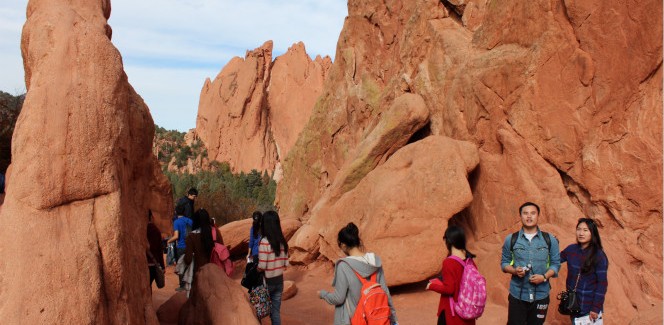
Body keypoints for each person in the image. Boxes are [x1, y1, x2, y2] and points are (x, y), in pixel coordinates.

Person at [318, 222, 398, 325]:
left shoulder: (344, 266)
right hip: (377, 320)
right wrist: (394, 320)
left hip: (354, 320)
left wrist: (323, 294)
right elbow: (385, 293)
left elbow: (339, 298)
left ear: (343, 245)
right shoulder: (375, 262)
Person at [501, 202, 561, 325]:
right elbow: (504, 263)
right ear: (520, 216)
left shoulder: (550, 240)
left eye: (533, 213)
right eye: (525, 213)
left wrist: (544, 277)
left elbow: (556, 264)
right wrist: (514, 271)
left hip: (541, 294)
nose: (529, 216)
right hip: (517, 294)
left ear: (538, 216)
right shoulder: (511, 239)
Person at [560, 218, 608, 324]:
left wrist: (596, 308)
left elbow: (602, 284)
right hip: (573, 304)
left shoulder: (599, 255)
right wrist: (552, 245)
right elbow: (556, 260)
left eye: (585, 230)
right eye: (579, 229)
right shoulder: (571, 250)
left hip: (589, 307)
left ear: (592, 233)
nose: (581, 233)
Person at [426, 225, 476, 325]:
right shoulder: (470, 261)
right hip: (468, 312)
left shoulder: (449, 262)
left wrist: (432, 286)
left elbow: (449, 289)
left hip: (452, 313)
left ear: (448, 241)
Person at [257, 210, 289, 325]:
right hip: (279, 281)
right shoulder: (282, 242)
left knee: (258, 309)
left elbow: (262, 265)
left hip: (267, 283)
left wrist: (256, 269)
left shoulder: (264, 242)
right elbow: (286, 264)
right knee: (275, 312)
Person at [184, 209, 224, 285]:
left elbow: (188, 260)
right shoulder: (216, 232)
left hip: (199, 274)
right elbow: (222, 251)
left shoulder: (191, 237)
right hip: (216, 273)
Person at [167, 203, 193, 291]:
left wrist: (168, 241)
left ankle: (182, 286)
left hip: (181, 246)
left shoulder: (176, 222)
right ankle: (191, 284)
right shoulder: (189, 221)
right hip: (190, 246)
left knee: (181, 265)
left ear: (176, 212)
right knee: (190, 264)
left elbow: (176, 236)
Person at [147, 210, 165, 290]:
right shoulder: (155, 230)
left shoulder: (139, 229)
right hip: (154, 264)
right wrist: (162, 266)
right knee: (148, 286)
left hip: (143, 264)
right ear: (151, 217)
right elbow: (159, 249)